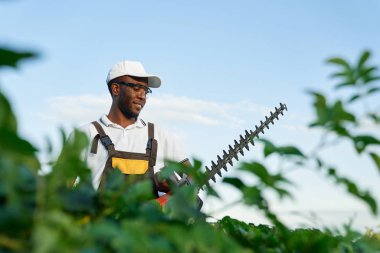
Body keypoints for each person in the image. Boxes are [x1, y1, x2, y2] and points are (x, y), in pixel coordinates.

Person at [76, 60, 190, 196]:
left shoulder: (159, 135)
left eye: (146, 90)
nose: (142, 96)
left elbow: (192, 177)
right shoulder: (86, 134)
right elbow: (59, 189)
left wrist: (172, 191)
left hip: (149, 217)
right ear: (116, 89)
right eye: (136, 88)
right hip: (98, 217)